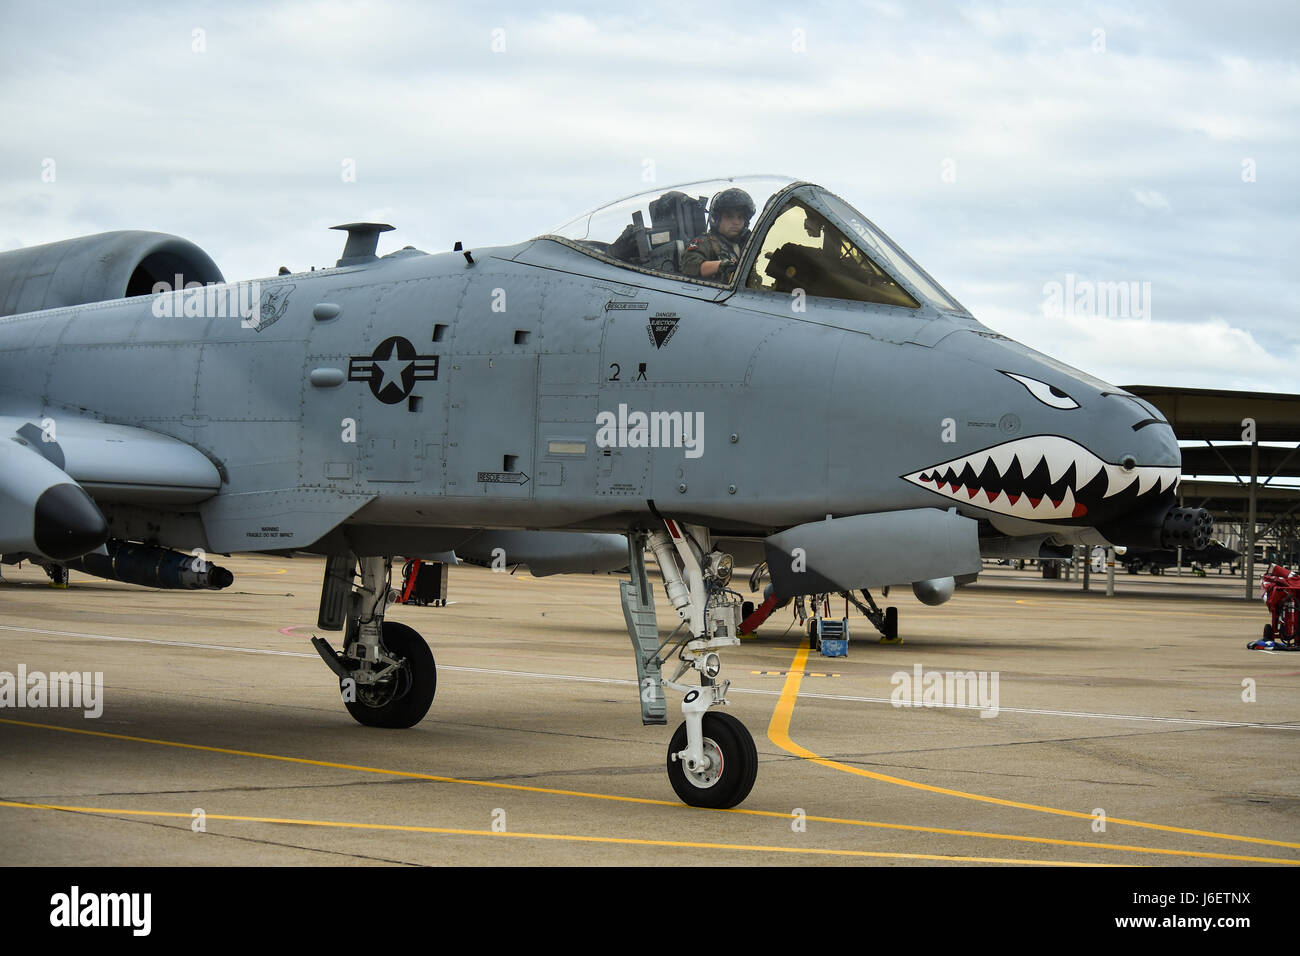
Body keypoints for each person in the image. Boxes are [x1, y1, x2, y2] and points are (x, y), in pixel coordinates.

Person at [681, 187, 755, 282]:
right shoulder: (704, 242)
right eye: (729, 216)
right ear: (717, 219)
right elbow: (689, 266)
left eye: (740, 217)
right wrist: (722, 265)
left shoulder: (748, 244)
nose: (736, 222)